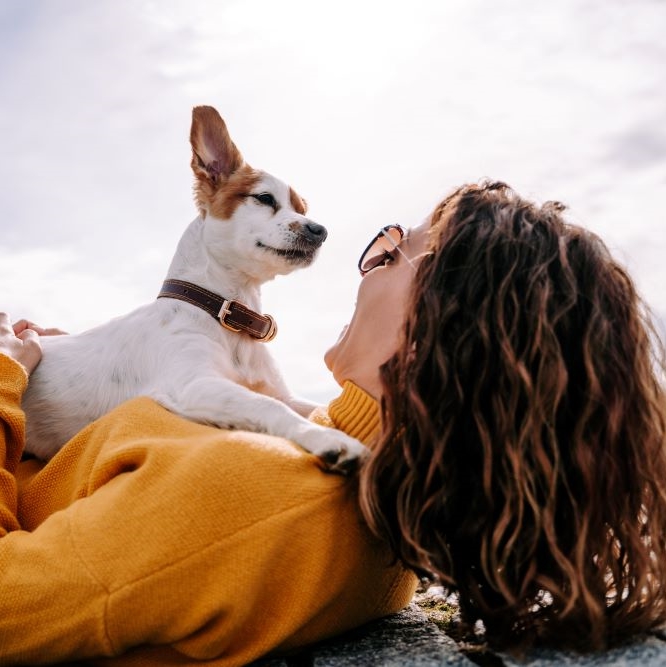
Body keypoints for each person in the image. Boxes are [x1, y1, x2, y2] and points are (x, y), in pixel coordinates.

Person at [0, 180, 664, 664]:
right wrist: (68, 371)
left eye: (390, 251)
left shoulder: (251, 500)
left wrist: (5, 382)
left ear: (428, 329)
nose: (366, 265)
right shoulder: (369, 502)